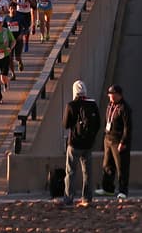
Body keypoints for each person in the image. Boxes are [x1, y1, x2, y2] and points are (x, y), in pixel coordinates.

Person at [61, 80, 101, 208]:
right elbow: (98, 123)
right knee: (87, 172)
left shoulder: (71, 105)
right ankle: (87, 198)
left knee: (71, 172)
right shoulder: (92, 104)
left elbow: (66, 125)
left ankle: (68, 199)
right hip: (88, 144)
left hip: (74, 144)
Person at [100, 84, 132, 200]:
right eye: (109, 95)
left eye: (113, 95)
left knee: (121, 167)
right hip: (108, 138)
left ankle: (123, 190)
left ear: (119, 95)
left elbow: (127, 128)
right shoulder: (110, 106)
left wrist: (123, 142)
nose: (111, 97)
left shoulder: (124, 108)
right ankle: (108, 188)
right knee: (107, 165)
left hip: (118, 140)